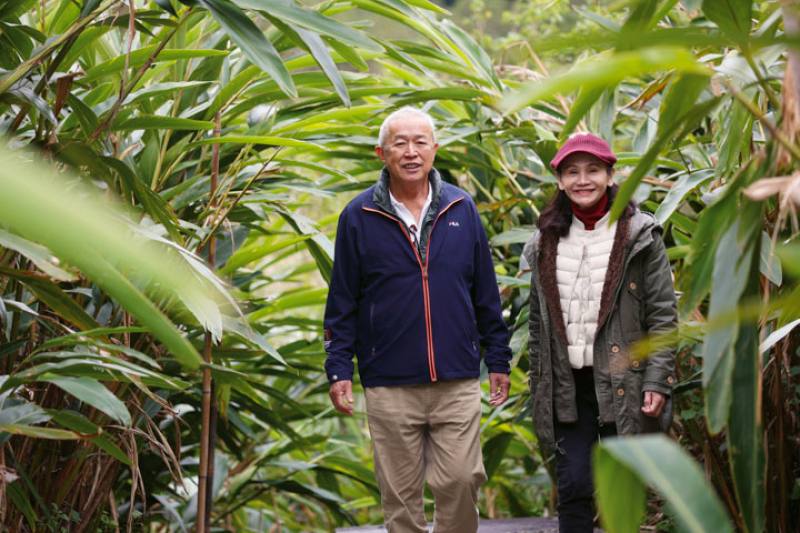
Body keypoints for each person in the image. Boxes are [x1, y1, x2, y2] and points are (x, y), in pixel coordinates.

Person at [323, 106, 512, 533]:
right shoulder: (359, 216)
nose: (411, 152)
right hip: (390, 382)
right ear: (381, 153)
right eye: (400, 143)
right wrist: (339, 368)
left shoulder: (461, 208)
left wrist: (498, 358)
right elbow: (343, 301)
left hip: (457, 379)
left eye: (420, 142)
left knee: (462, 481)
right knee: (401, 501)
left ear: (435, 149)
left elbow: (485, 291)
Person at [522, 133, 678, 532]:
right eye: (572, 172)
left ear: (611, 175)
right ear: (559, 181)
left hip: (624, 379)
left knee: (624, 487)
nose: (583, 180)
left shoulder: (640, 235)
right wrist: (539, 386)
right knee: (574, 485)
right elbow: (538, 326)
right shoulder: (544, 240)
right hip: (567, 386)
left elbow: (663, 316)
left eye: (593, 170)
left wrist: (658, 381)